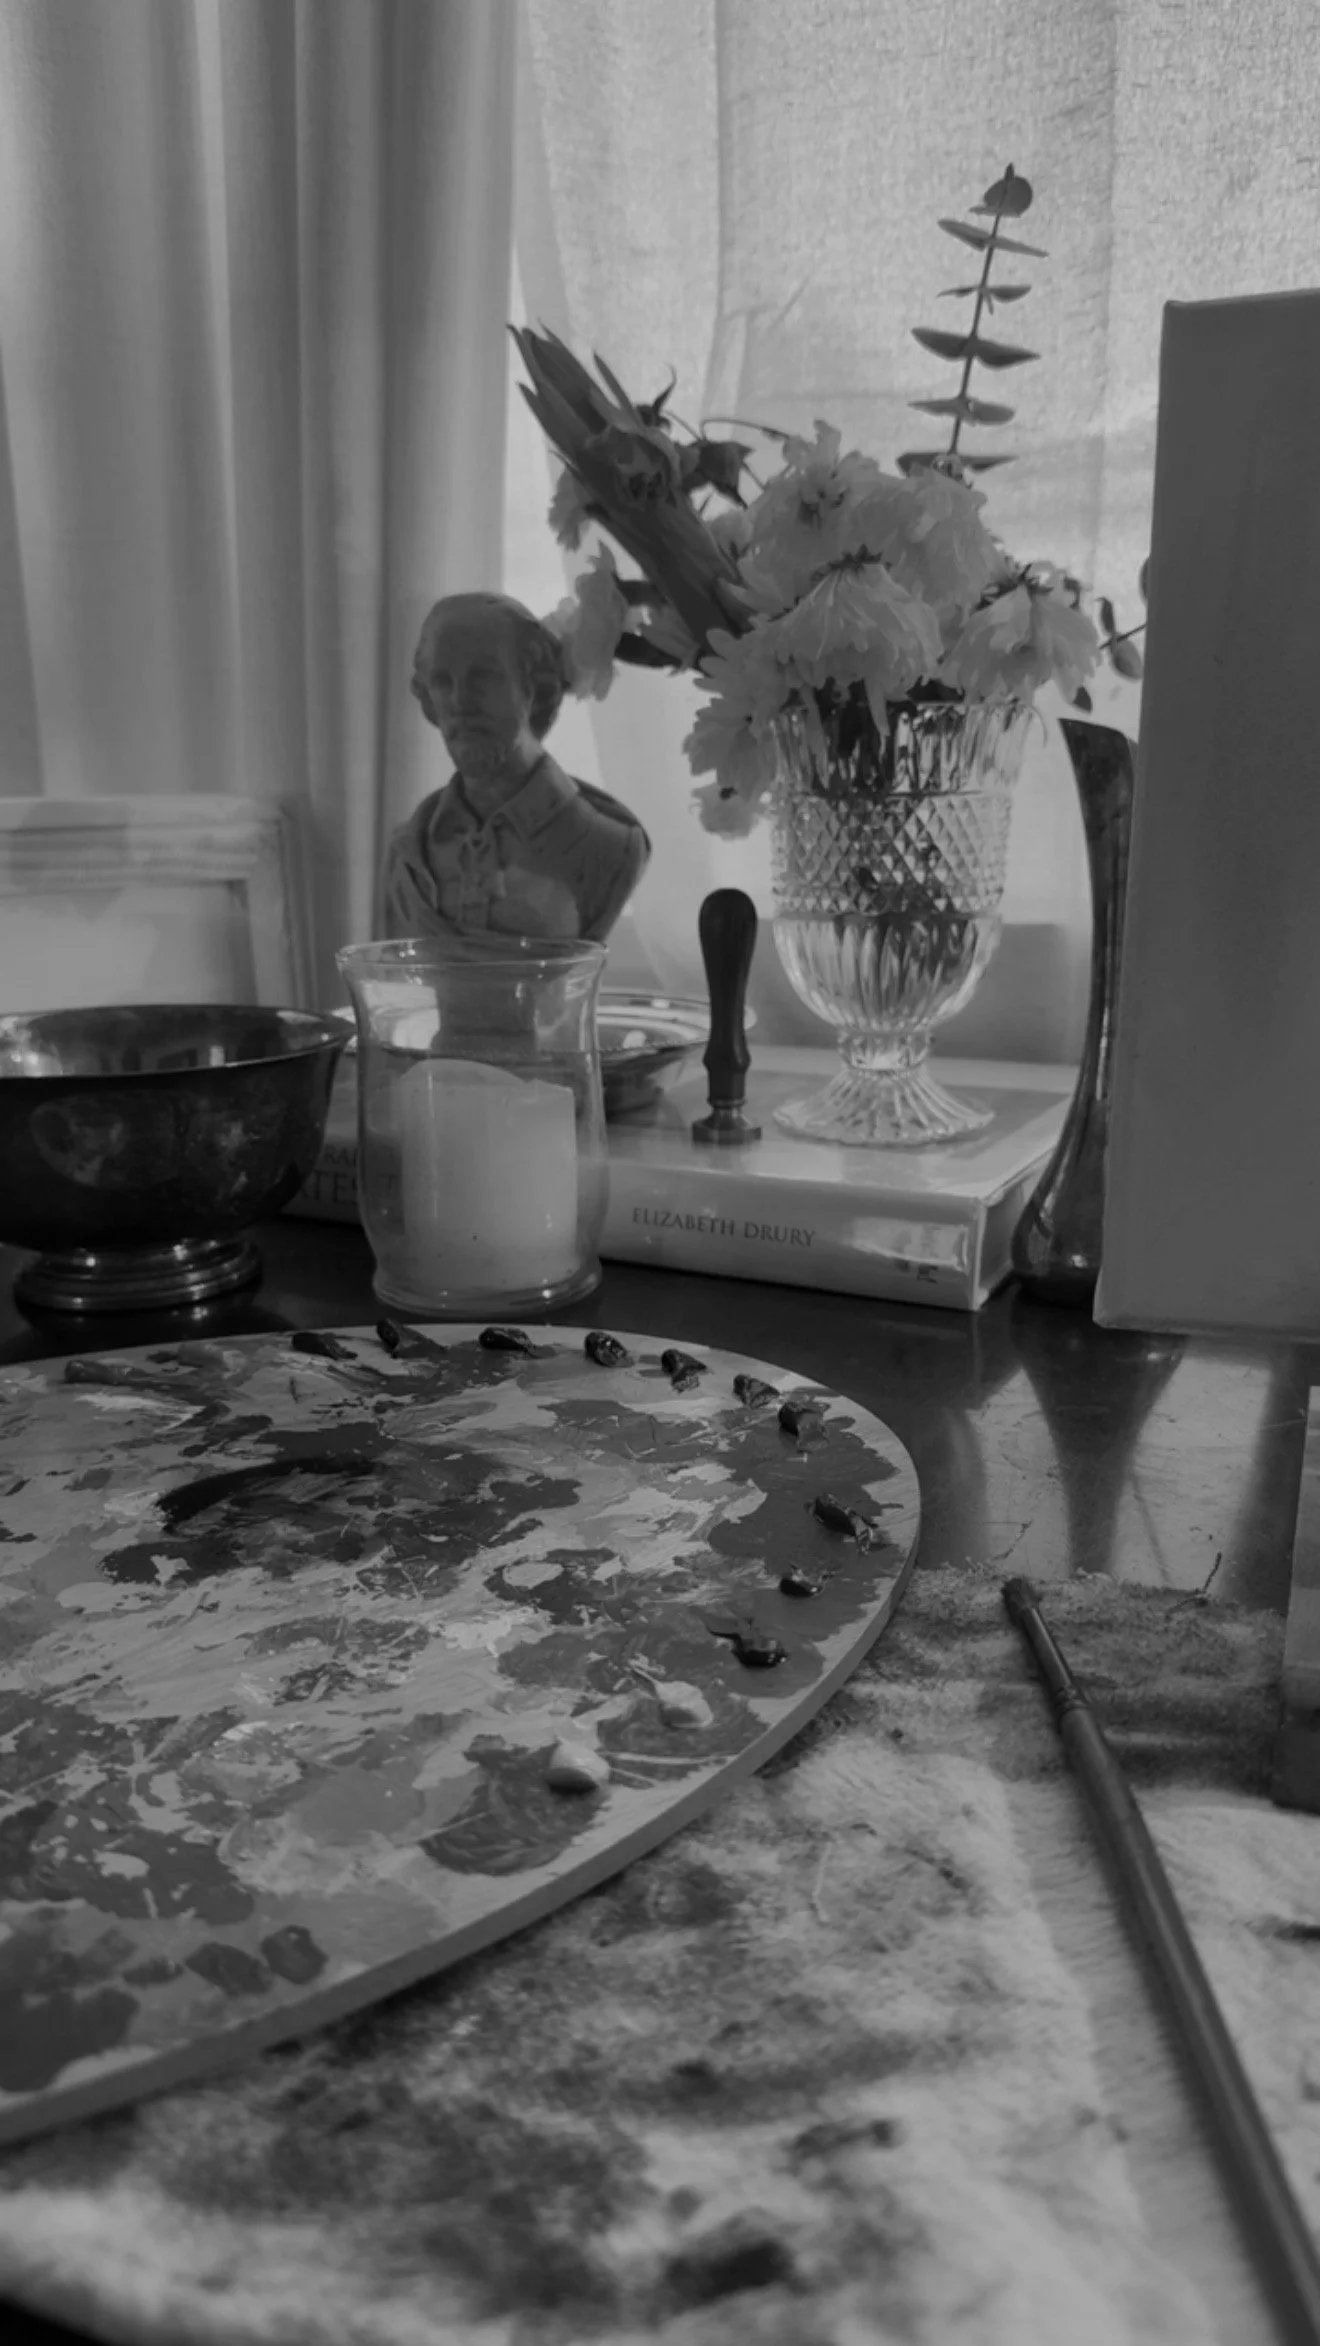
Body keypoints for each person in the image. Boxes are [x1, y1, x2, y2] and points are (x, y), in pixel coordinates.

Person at [382, 592, 651, 944]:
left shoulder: (609, 846)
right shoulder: (411, 851)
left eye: (484, 676)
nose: (461, 701)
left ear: (533, 687)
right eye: (442, 681)